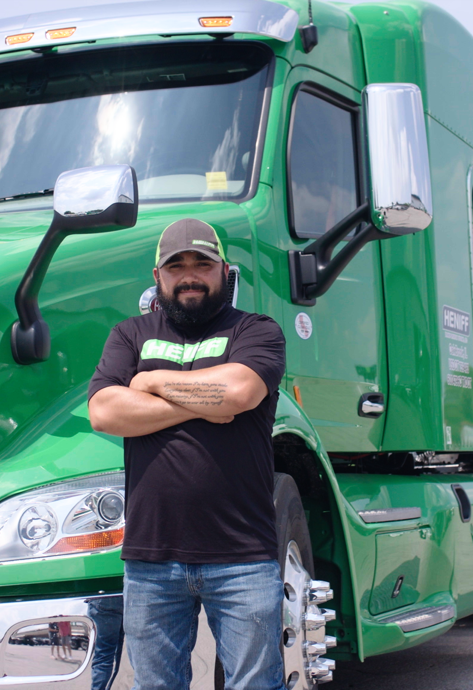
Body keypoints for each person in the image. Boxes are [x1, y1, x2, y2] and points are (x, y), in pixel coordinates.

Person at [88, 218, 287, 690]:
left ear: (225, 271)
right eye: (176, 266)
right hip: (151, 558)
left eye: (203, 263)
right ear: (158, 276)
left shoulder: (255, 331)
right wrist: (200, 404)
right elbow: (103, 411)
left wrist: (151, 382)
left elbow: (238, 392)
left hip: (242, 555)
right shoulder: (129, 334)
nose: (190, 275)